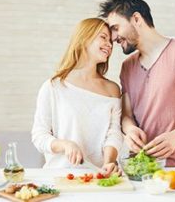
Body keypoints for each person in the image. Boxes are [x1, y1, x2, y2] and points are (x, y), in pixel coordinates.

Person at [99, 0, 175, 166]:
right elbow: (126, 114)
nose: (113, 37)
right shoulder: (127, 66)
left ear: (136, 19)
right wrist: (130, 129)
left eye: (116, 28)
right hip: (138, 167)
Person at [31, 18, 123, 175]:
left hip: (99, 177)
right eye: (103, 37)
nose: (109, 44)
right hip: (60, 177)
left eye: (111, 41)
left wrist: (108, 163)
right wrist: (65, 145)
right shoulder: (54, 87)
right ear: (84, 39)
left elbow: (113, 133)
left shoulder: (112, 90)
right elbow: (39, 135)